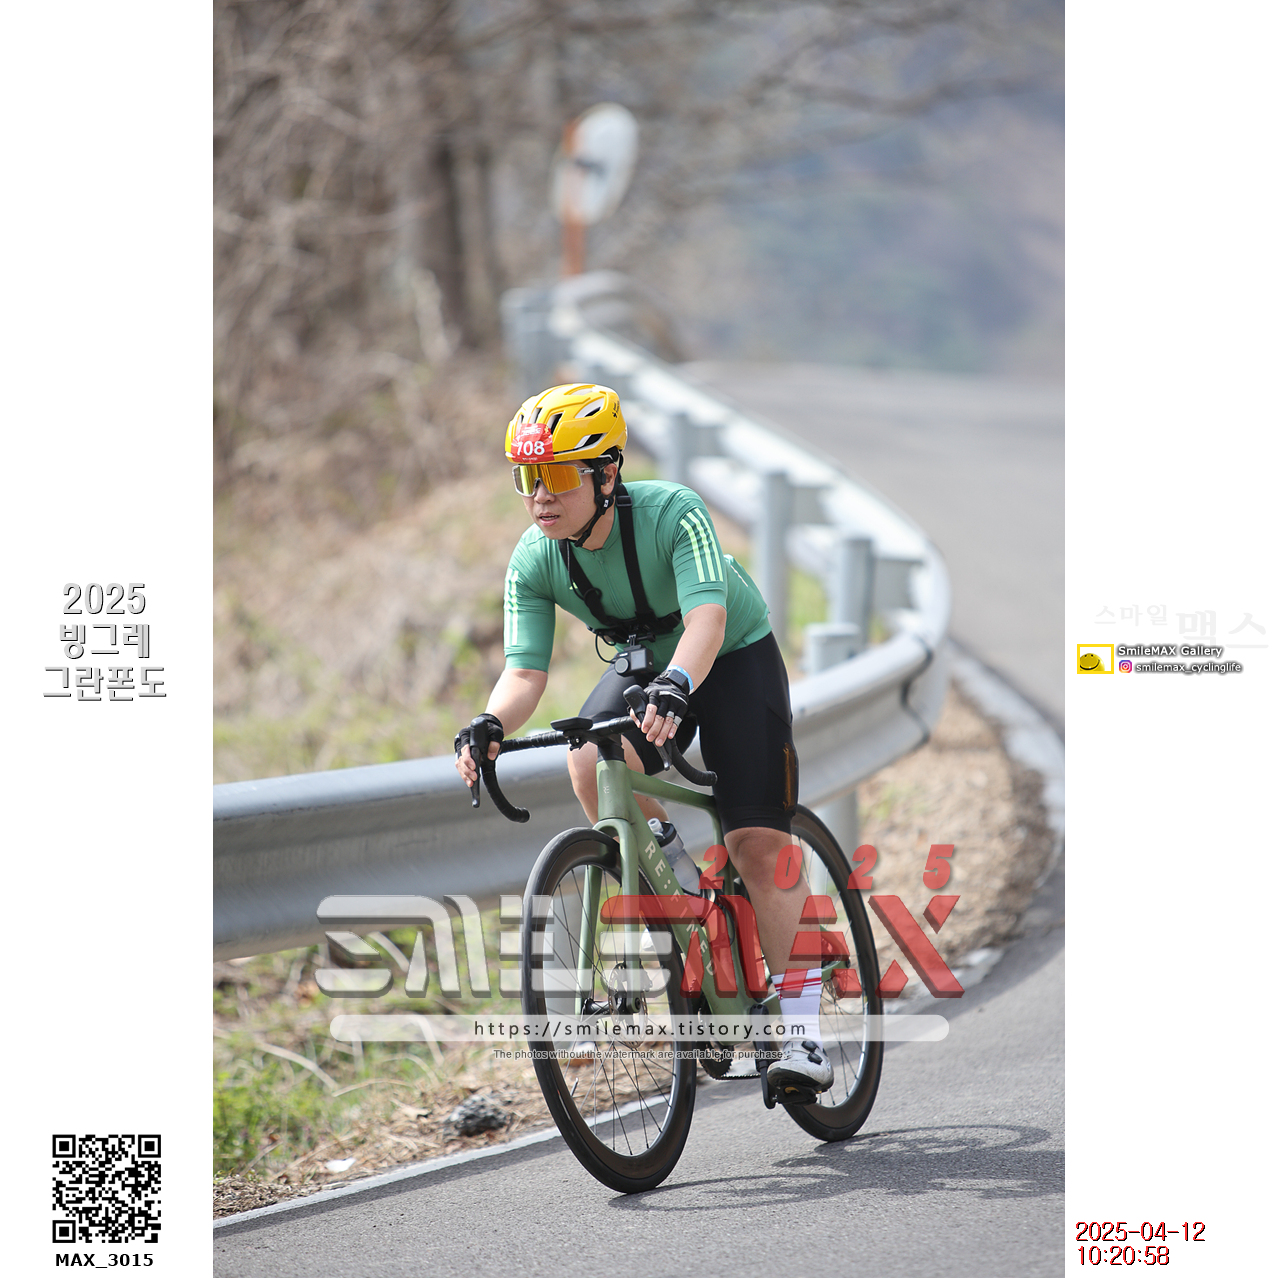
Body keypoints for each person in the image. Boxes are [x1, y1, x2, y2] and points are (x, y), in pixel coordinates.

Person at [454, 382, 832, 1095]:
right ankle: (681, 891)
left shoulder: (674, 513)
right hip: (648, 669)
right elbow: (524, 671)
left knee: (757, 843)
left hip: (731, 657)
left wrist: (678, 684)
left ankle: (804, 1035)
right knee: (587, 759)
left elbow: (708, 620)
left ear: (607, 473)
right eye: (527, 478)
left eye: (557, 474)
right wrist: (491, 723)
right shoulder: (534, 558)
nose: (540, 495)